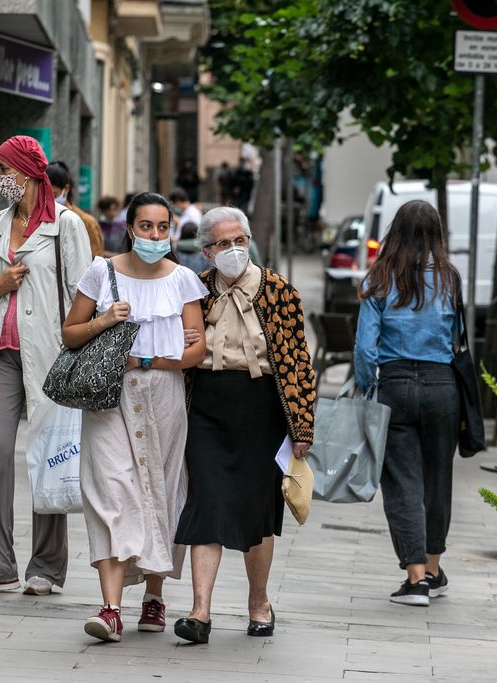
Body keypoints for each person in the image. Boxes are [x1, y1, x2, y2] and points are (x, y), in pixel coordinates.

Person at [61, 192, 208, 643]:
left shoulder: (183, 279)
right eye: (146, 227)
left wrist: (150, 362)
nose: (155, 236)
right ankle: (110, 609)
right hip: (108, 395)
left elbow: (196, 350)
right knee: (112, 490)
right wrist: (105, 321)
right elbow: (69, 334)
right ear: (130, 228)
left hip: (162, 393)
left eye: (163, 228)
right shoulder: (100, 271)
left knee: (161, 489)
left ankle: (154, 598)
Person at [173, 206, 316, 644]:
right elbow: (178, 353)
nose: (233, 249)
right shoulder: (196, 291)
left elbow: (298, 361)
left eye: (239, 240)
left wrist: (302, 425)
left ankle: (259, 603)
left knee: (257, 511)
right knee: (207, 501)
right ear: (207, 252)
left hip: (263, 408)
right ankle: (200, 612)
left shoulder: (278, 291)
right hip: (208, 407)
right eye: (222, 243)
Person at [0, 135, 93, 595]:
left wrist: (74, 348)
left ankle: (46, 568)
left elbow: (85, 294)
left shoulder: (67, 225)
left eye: (4, 169)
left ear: (27, 172)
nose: (0, 179)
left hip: (52, 357)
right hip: (2, 355)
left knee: (49, 454)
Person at [352, 200, 461, 608]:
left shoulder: (379, 278)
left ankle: (415, 578)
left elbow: (365, 348)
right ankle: (433, 568)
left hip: (395, 384)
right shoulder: (450, 278)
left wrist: (369, 390)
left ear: (394, 231)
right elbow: (458, 338)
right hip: (442, 385)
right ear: (437, 233)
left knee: (400, 483)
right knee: (438, 481)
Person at [46, 161, 103, 259]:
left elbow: (96, 261)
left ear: (66, 188)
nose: (50, 200)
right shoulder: (40, 218)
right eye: (45, 196)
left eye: (54, 195)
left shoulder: (87, 222)